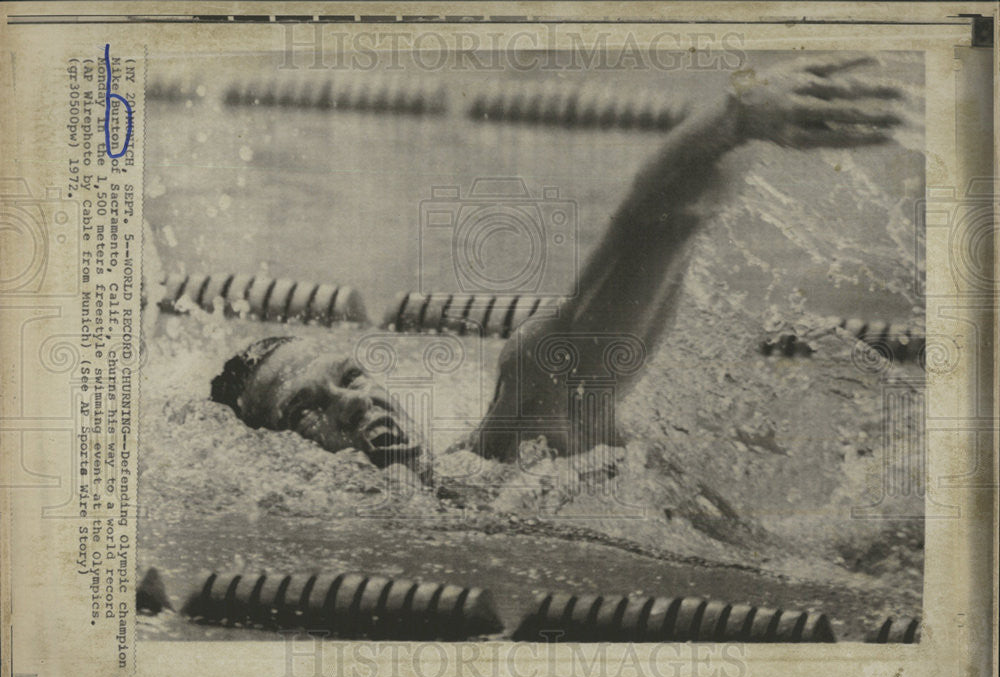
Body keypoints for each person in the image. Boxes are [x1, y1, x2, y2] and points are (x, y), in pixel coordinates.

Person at [210, 55, 906, 469]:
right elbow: (668, 221)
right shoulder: (497, 477)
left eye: (349, 375)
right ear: (278, 457)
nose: (354, 401)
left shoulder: (522, 425)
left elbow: (663, 222)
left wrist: (734, 120)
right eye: (306, 409)